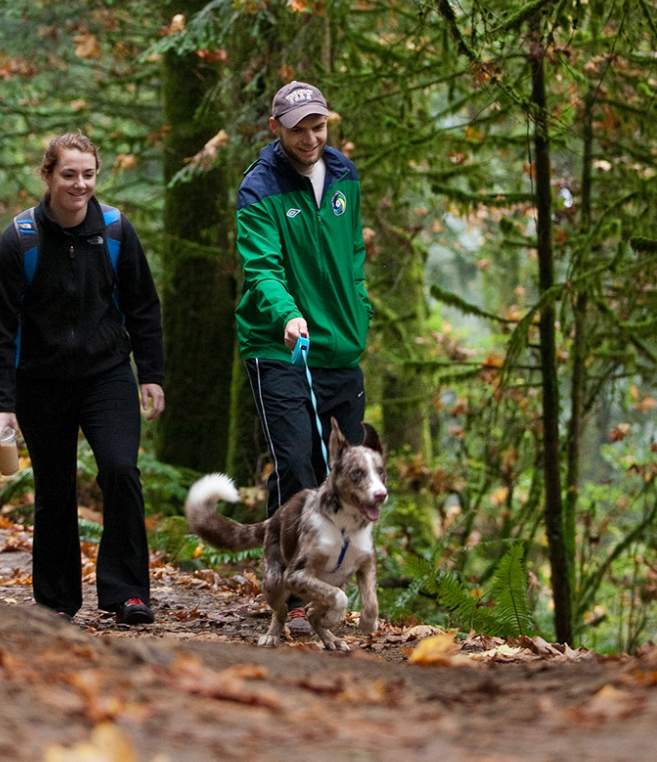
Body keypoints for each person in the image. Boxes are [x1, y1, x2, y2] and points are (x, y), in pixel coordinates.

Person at [0, 132, 166, 625]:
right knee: (55, 487)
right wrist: (0, 403)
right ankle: (58, 602)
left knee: (121, 471)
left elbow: (143, 307)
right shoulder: (21, 240)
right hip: (40, 383)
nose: (79, 184)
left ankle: (127, 593)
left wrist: (151, 374)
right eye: (69, 174)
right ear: (47, 176)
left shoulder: (115, 231)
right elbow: (0, 330)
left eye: (88, 174)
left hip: (106, 376)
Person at [234, 81, 373, 636]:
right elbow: (261, 267)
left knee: (344, 477)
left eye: (318, 126)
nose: (311, 138)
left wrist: (358, 307)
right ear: (276, 129)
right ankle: (295, 590)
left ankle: (293, 574)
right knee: (295, 466)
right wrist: (287, 313)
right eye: (299, 129)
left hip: (341, 344)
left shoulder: (343, 174)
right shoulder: (259, 187)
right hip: (281, 345)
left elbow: (354, 254)